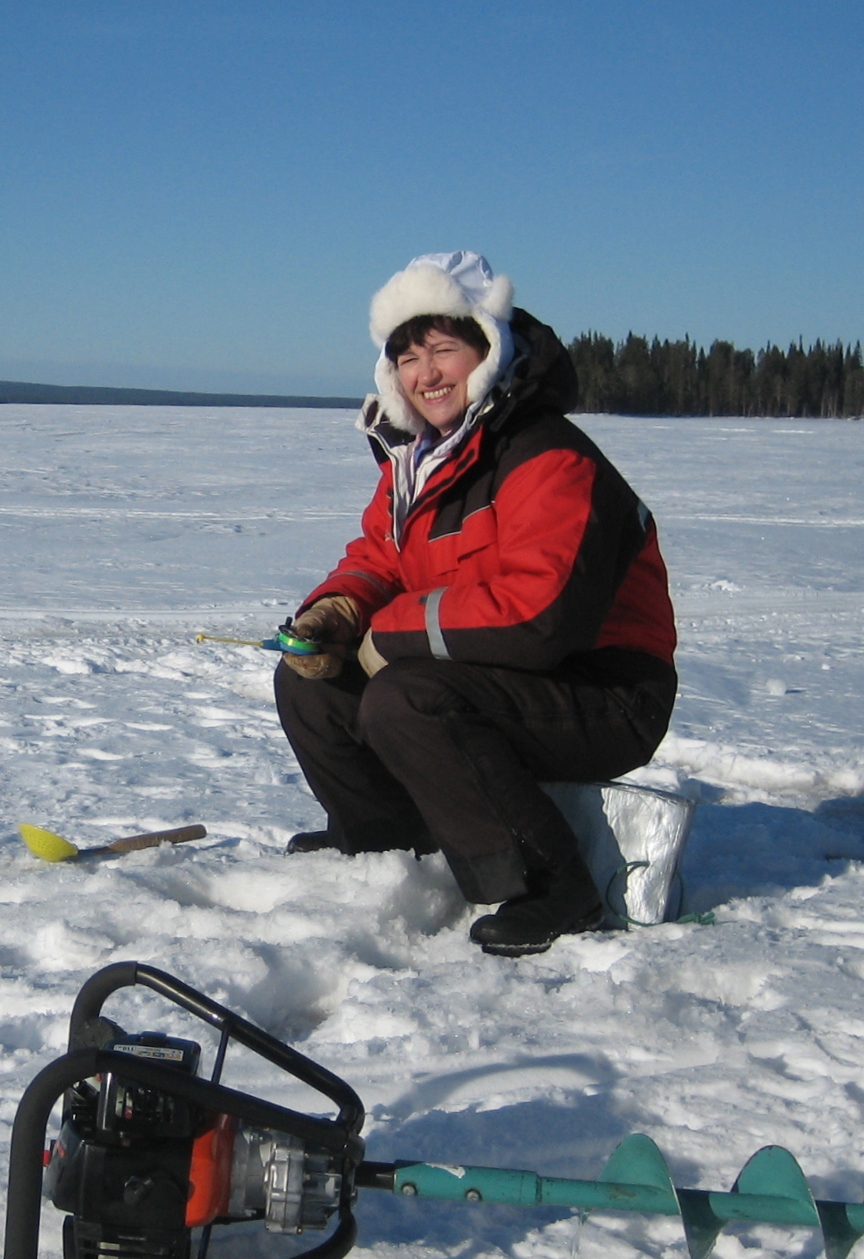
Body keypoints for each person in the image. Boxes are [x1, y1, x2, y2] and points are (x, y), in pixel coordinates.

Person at [275, 251, 676, 956]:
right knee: (314, 686)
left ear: (489, 351)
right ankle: (388, 846)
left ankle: (553, 886)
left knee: (408, 696)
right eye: (406, 356)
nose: (424, 373)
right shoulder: (423, 462)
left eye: (443, 350)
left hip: (605, 691)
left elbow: (539, 617)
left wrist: (389, 636)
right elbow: (380, 556)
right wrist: (336, 612)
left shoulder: (549, 456)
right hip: (509, 676)